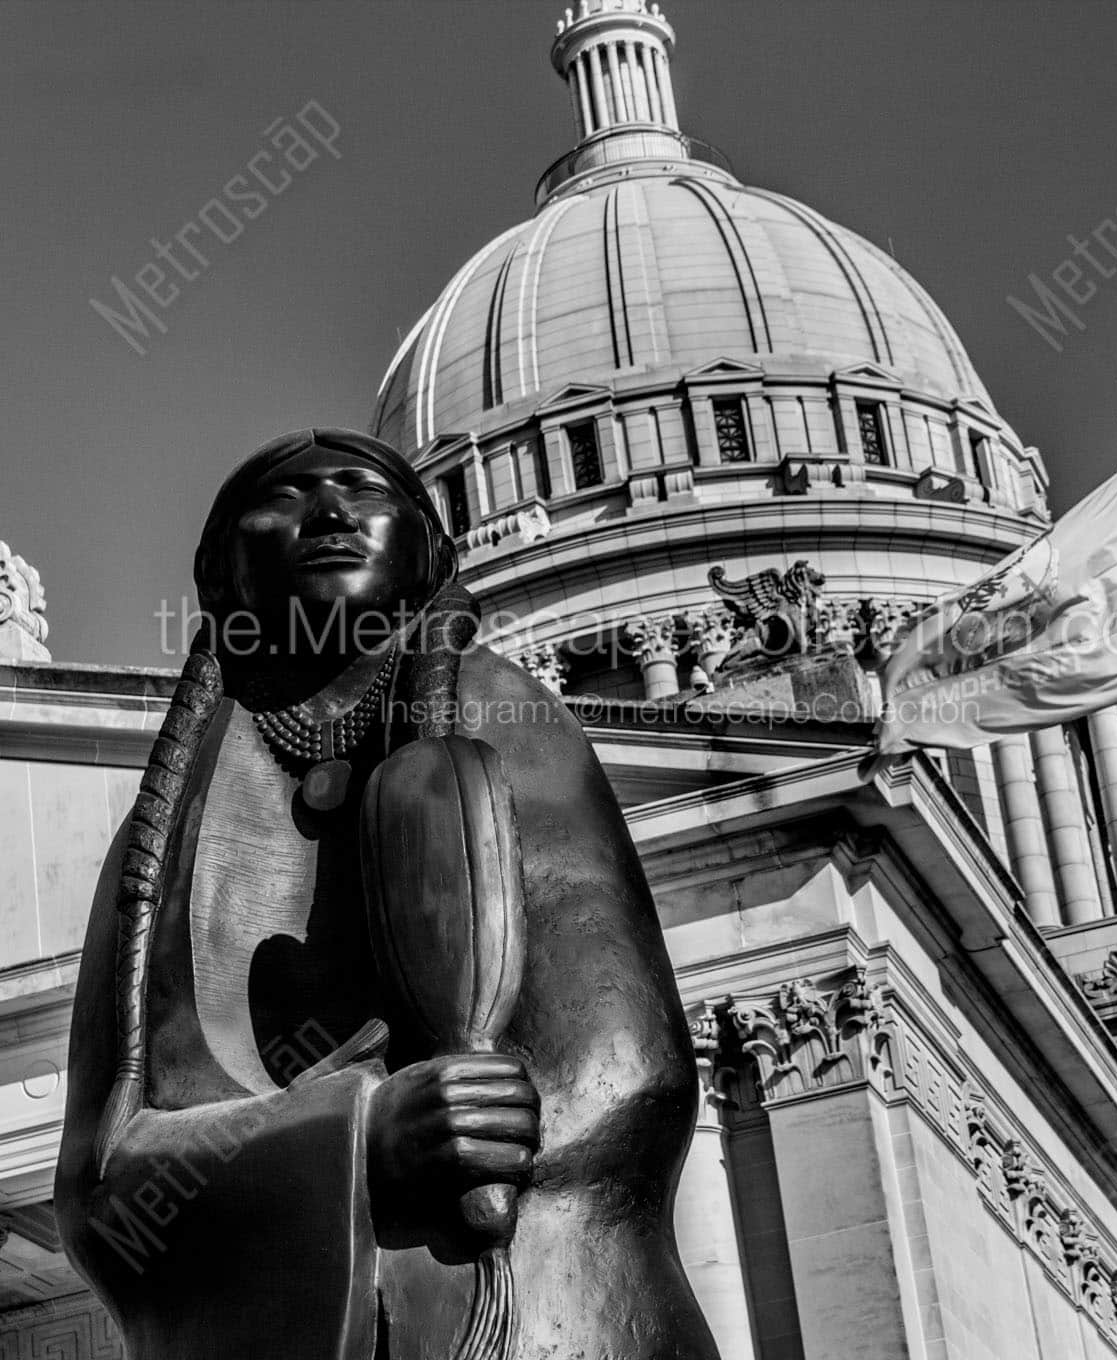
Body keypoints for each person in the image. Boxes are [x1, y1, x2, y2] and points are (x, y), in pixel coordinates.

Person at [55, 429, 718, 1360]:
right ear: (218, 574)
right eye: (283, 496)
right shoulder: (154, 846)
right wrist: (362, 1141)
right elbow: (98, 1194)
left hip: (533, 1319)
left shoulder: (507, 717)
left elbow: (626, 1071)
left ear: (427, 555)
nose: (327, 512)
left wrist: (485, 1132)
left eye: (363, 490)